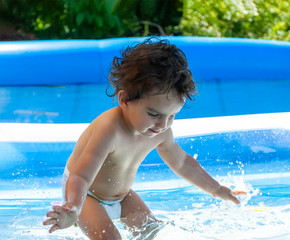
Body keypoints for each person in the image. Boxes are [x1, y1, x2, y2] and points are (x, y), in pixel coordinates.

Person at [43, 38, 246, 239]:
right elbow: (80, 177)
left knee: (152, 232)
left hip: (122, 195)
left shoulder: (161, 131)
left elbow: (182, 163)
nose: (163, 124)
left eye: (172, 115)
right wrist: (73, 207)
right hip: (86, 195)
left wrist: (217, 189)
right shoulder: (109, 129)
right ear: (124, 100)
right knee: (110, 238)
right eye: (154, 114)